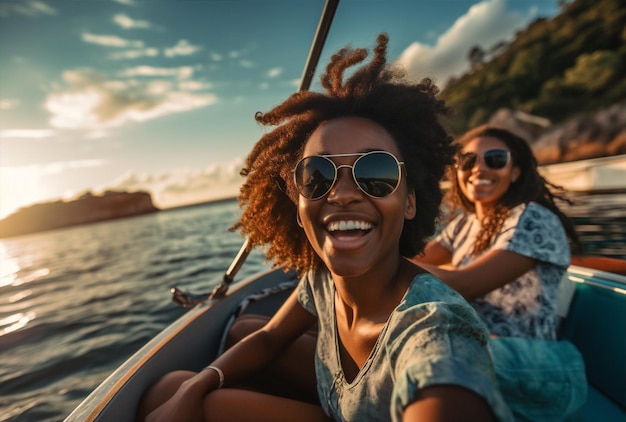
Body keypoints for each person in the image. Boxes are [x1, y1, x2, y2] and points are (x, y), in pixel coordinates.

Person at [137, 33, 513, 422]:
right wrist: (197, 384)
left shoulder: (437, 334)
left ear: (411, 201)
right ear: (299, 207)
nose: (344, 193)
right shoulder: (322, 277)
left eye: (376, 171)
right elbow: (269, 338)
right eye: (318, 175)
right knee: (171, 390)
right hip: (341, 407)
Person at [413, 125, 587, 420]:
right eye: (467, 161)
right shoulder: (463, 225)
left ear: (515, 171)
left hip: (535, 367)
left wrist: (377, 261)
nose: (479, 168)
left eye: (494, 159)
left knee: (428, 352)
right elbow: (414, 259)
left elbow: (463, 284)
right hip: (476, 348)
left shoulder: (532, 218)